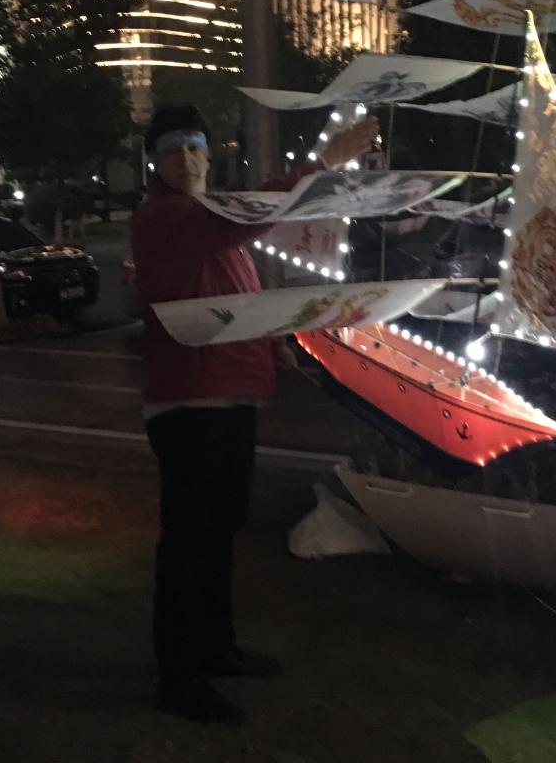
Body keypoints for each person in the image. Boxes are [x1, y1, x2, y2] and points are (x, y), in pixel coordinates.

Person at [131, 104, 378, 724]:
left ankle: (216, 649)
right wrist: (324, 162)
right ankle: (178, 677)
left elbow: (237, 298)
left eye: (195, 146)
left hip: (234, 398)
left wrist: (271, 347)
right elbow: (251, 216)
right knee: (189, 542)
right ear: (154, 163)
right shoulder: (165, 218)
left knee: (219, 532)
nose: (186, 159)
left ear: (209, 154)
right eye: (171, 149)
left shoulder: (211, 225)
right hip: (189, 405)